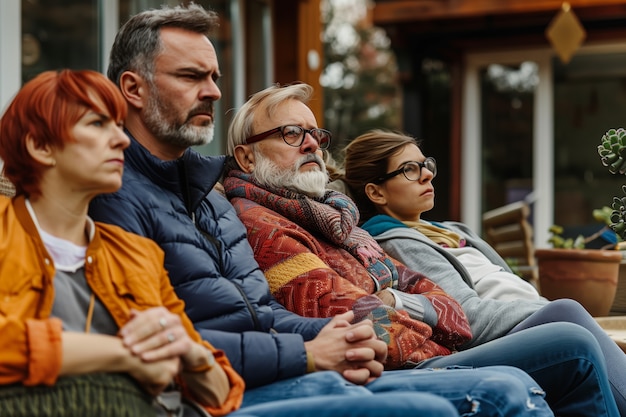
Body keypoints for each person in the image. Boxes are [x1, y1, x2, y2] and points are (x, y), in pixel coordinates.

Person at [88, 4, 558, 417]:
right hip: (244, 383)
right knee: (531, 364)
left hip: (314, 360)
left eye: (214, 77)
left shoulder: (224, 202)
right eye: (192, 76)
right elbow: (354, 313)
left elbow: (274, 314)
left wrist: (371, 321)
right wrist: (324, 344)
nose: (212, 91)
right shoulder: (250, 218)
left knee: (530, 368)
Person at [222, 81, 620, 417]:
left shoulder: (335, 223)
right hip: (410, 366)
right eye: (292, 134)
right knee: (573, 341)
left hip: (435, 351)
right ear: (246, 155)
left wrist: (402, 302)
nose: (311, 145)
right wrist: (427, 320)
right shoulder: (265, 228)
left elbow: (441, 301)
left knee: (569, 336)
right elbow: (362, 327)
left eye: (316, 134)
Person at [0, 69, 244, 417]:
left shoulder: (136, 253)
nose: (122, 140)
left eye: (118, 125)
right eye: (98, 124)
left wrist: (189, 353)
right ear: (40, 146)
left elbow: (221, 394)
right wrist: (127, 357)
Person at [339, 128, 626, 414]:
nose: (427, 175)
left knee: (571, 322)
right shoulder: (395, 242)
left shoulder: (449, 231)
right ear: (376, 192)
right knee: (567, 313)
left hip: (529, 317)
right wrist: (545, 311)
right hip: (494, 336)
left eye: (426, 165)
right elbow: (465, 316)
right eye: (409, 170)